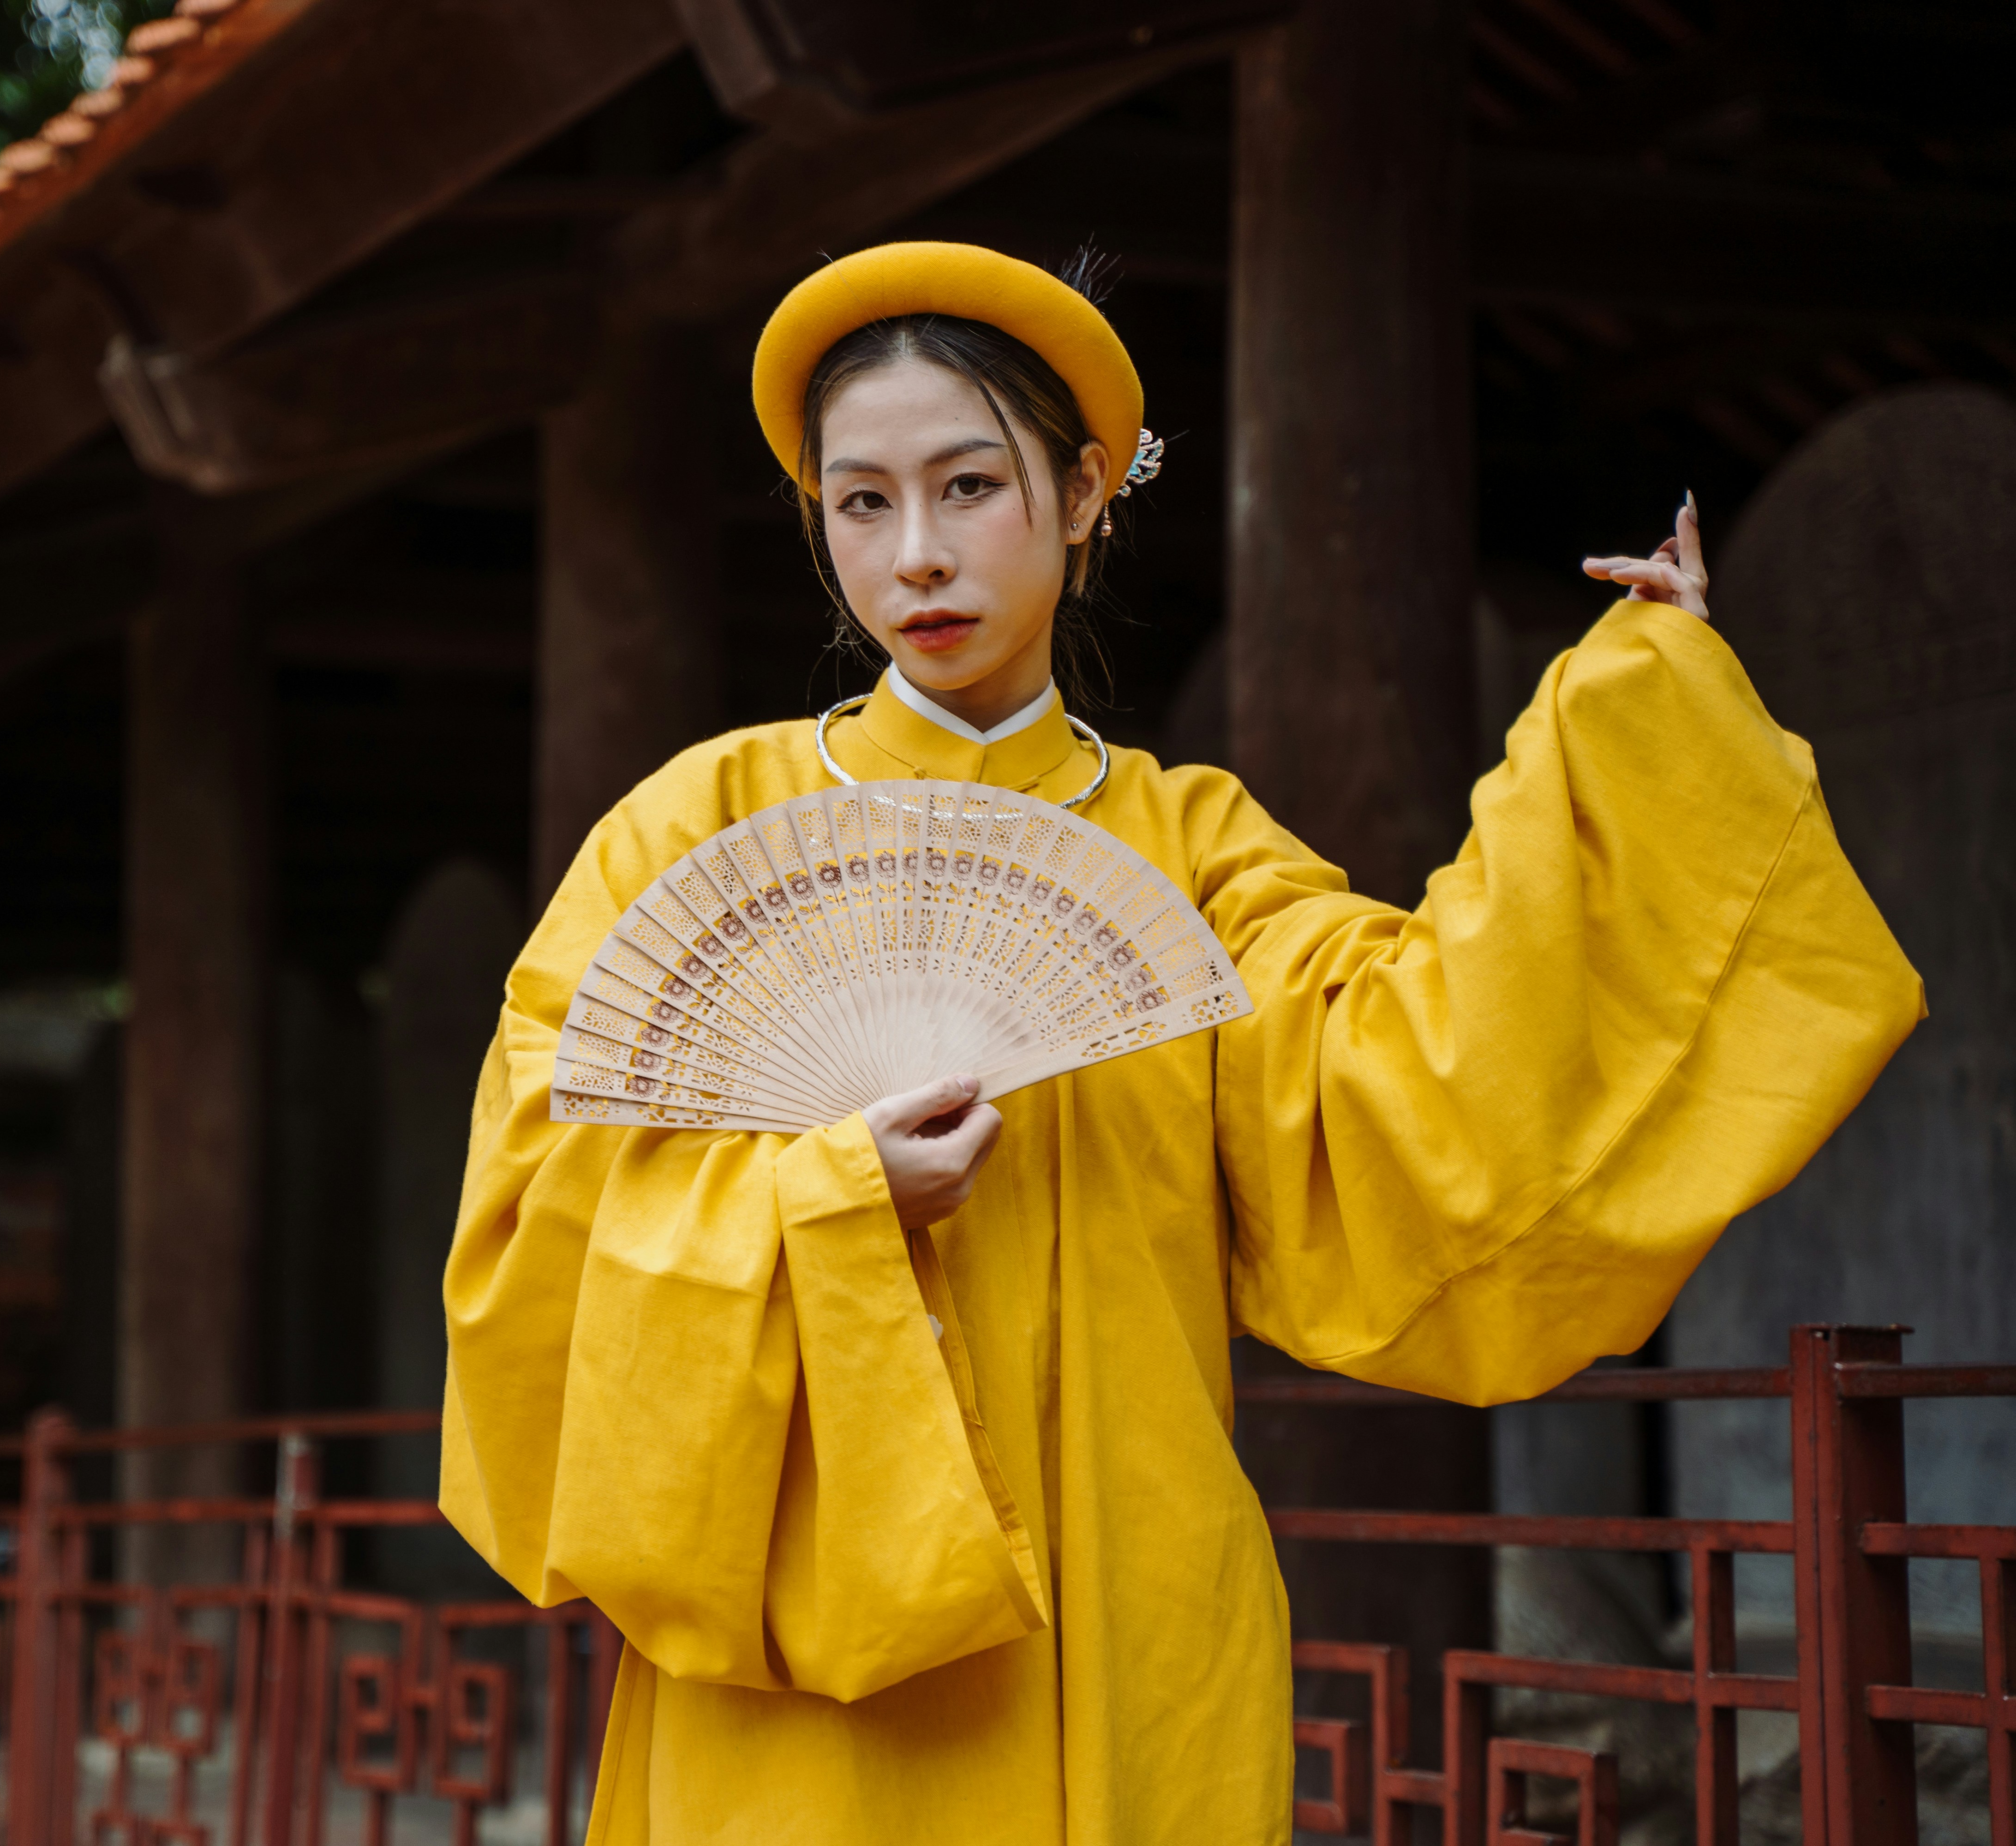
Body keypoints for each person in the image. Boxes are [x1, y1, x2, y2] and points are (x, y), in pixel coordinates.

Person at [437, 242, 1922, 1844]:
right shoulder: (693, 831)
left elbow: (1414, 1082)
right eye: (861, 504)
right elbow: (542, 1234)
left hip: (1131, 1597)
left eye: (968, 486)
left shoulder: (1191, 851)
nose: (918, 557)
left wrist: (1640, 730)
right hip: (812, 1664)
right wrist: (829, 1203)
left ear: (1083, 496)